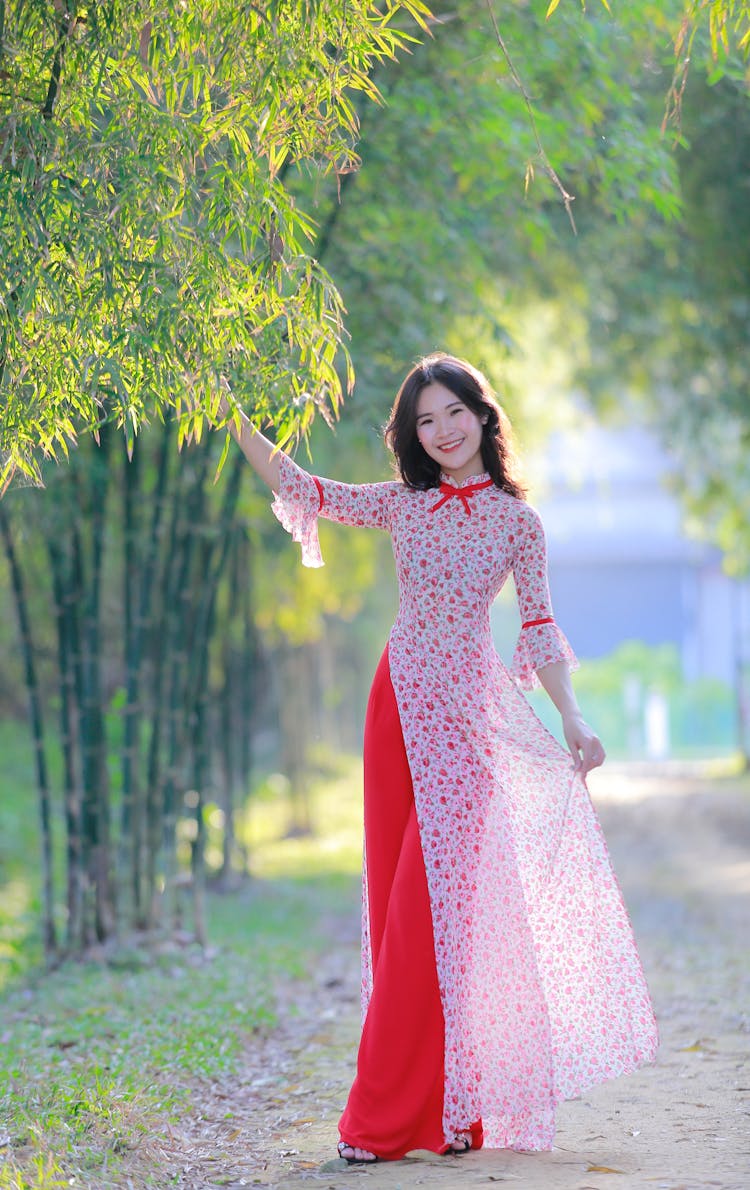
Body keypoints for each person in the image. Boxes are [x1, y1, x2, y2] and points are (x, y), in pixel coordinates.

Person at [214, 353, 658, 1164]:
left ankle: (383, 1123)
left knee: (436, 916)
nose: (443, 429)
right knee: (398, 916)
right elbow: (309, 489)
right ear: (414, 435)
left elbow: (537, 630)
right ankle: (447, 1114)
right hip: (397, 708)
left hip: (469, 723)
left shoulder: (519, 523)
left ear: (483, 416)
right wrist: (235, 418)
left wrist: (572, 717)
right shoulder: (405, 504)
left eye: (454, 411)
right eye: (426, 420)